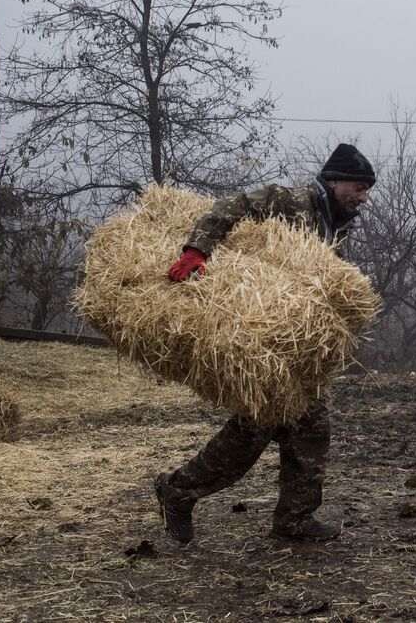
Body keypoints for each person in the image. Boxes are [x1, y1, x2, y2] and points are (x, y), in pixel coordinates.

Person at [152, 143, 375, 544]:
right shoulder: (289, 202)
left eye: (366, 191)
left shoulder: (334, 225)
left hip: (295, 350)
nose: (363, 197)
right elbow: (230, 207)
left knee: (310, 428)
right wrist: (196, 249)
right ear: (334, 179)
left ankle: (294, 520)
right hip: (261, 344)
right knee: (252, 431)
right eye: (359, 187)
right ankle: (178, 491)